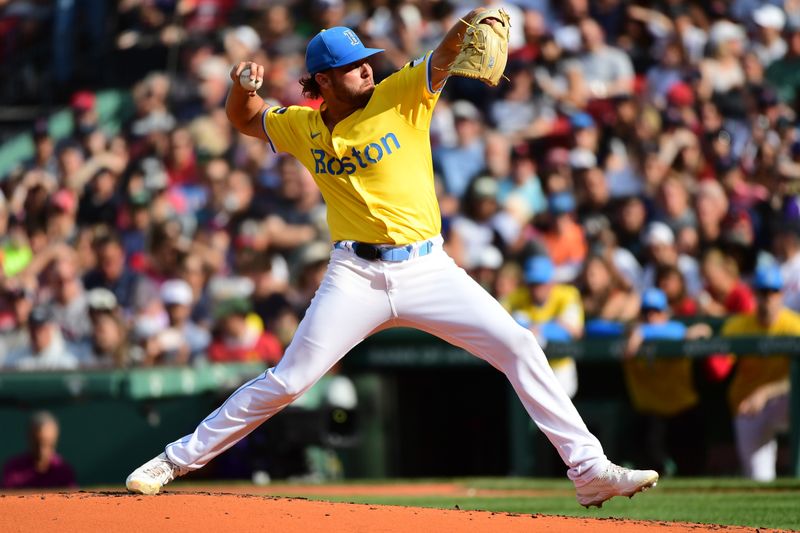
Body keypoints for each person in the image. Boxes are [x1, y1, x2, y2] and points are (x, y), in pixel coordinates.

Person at [126, 12, 658, 506]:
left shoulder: (400, 94)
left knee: (519, 344)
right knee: (289, 380)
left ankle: (588, 470)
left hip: (428, 268)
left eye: (365, 60)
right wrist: (241, 86)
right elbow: (246, 119)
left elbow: (444, 56)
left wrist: (470, 20)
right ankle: (173, 461)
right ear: (323, 81)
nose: (365, 69)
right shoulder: (301, 125)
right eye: (351, 66)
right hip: (354, 274)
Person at [720, 264, 800, 481]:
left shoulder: (794, 325)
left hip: (784, 400)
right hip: (748, 405)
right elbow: (720, 365)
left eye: (772, 292)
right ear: (755, 295)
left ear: (781, 294)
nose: (767, 298)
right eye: (762, 292)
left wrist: (766, 392)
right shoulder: (738, 325)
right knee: (759, 479)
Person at [622, 288, 711, 475]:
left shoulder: (675, 330)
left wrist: (645, 331)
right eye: (646, 312)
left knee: (691, 465)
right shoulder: (630, 334)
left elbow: (702, 330)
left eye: (656, 312)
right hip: (648, 414)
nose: (651, 317)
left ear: (665, 313)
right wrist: (638, 331)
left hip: (682, 410)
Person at [2, 411, 76, 489]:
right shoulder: (13, 469)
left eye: (47, 443)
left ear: (55, 439)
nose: (42, 450)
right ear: (29, 438)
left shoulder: (63, 470)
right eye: (37, 443)